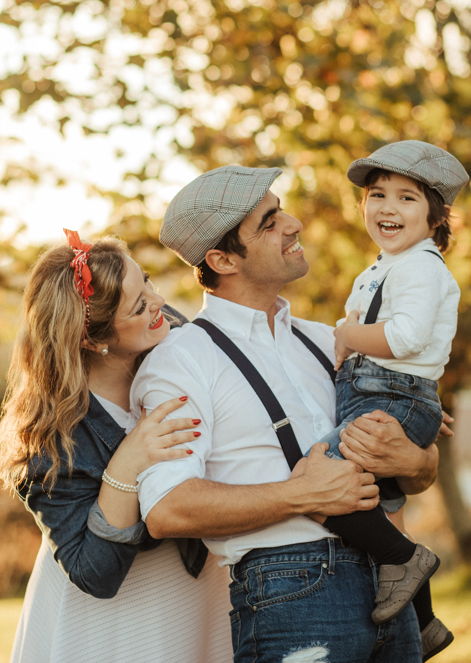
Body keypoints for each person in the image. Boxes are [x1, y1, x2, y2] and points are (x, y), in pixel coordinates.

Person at [0, 230, 379, 662]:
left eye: (148, 281)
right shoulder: (51, 439)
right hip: (113, 620)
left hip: (201, 590)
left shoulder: (181, 345)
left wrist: (391, 400)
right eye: (138, 306)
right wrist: (127, 462)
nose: (158, 302)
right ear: (91, 339)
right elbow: (93, 571)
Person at [131, 165, 448, 663]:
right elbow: (168, 508)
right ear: (221, 259)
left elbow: (419, 470)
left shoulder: (331, 340)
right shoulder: (181, 361)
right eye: (269, 221)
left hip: (393, 591)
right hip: (291, 591)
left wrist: (414, 460)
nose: (294, 224)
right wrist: (299, 493)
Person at [323, 140, 470, 660]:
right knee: (381, 511)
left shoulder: (421, 268)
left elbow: (405, 338)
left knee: (327, 484)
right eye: (377, 194)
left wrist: (346, 334)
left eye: (407, 198)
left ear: (435, 218)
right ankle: (424, 621)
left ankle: (408, 559)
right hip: (381, 392)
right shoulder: (383, 267)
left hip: (392, 394)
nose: (387, 207)